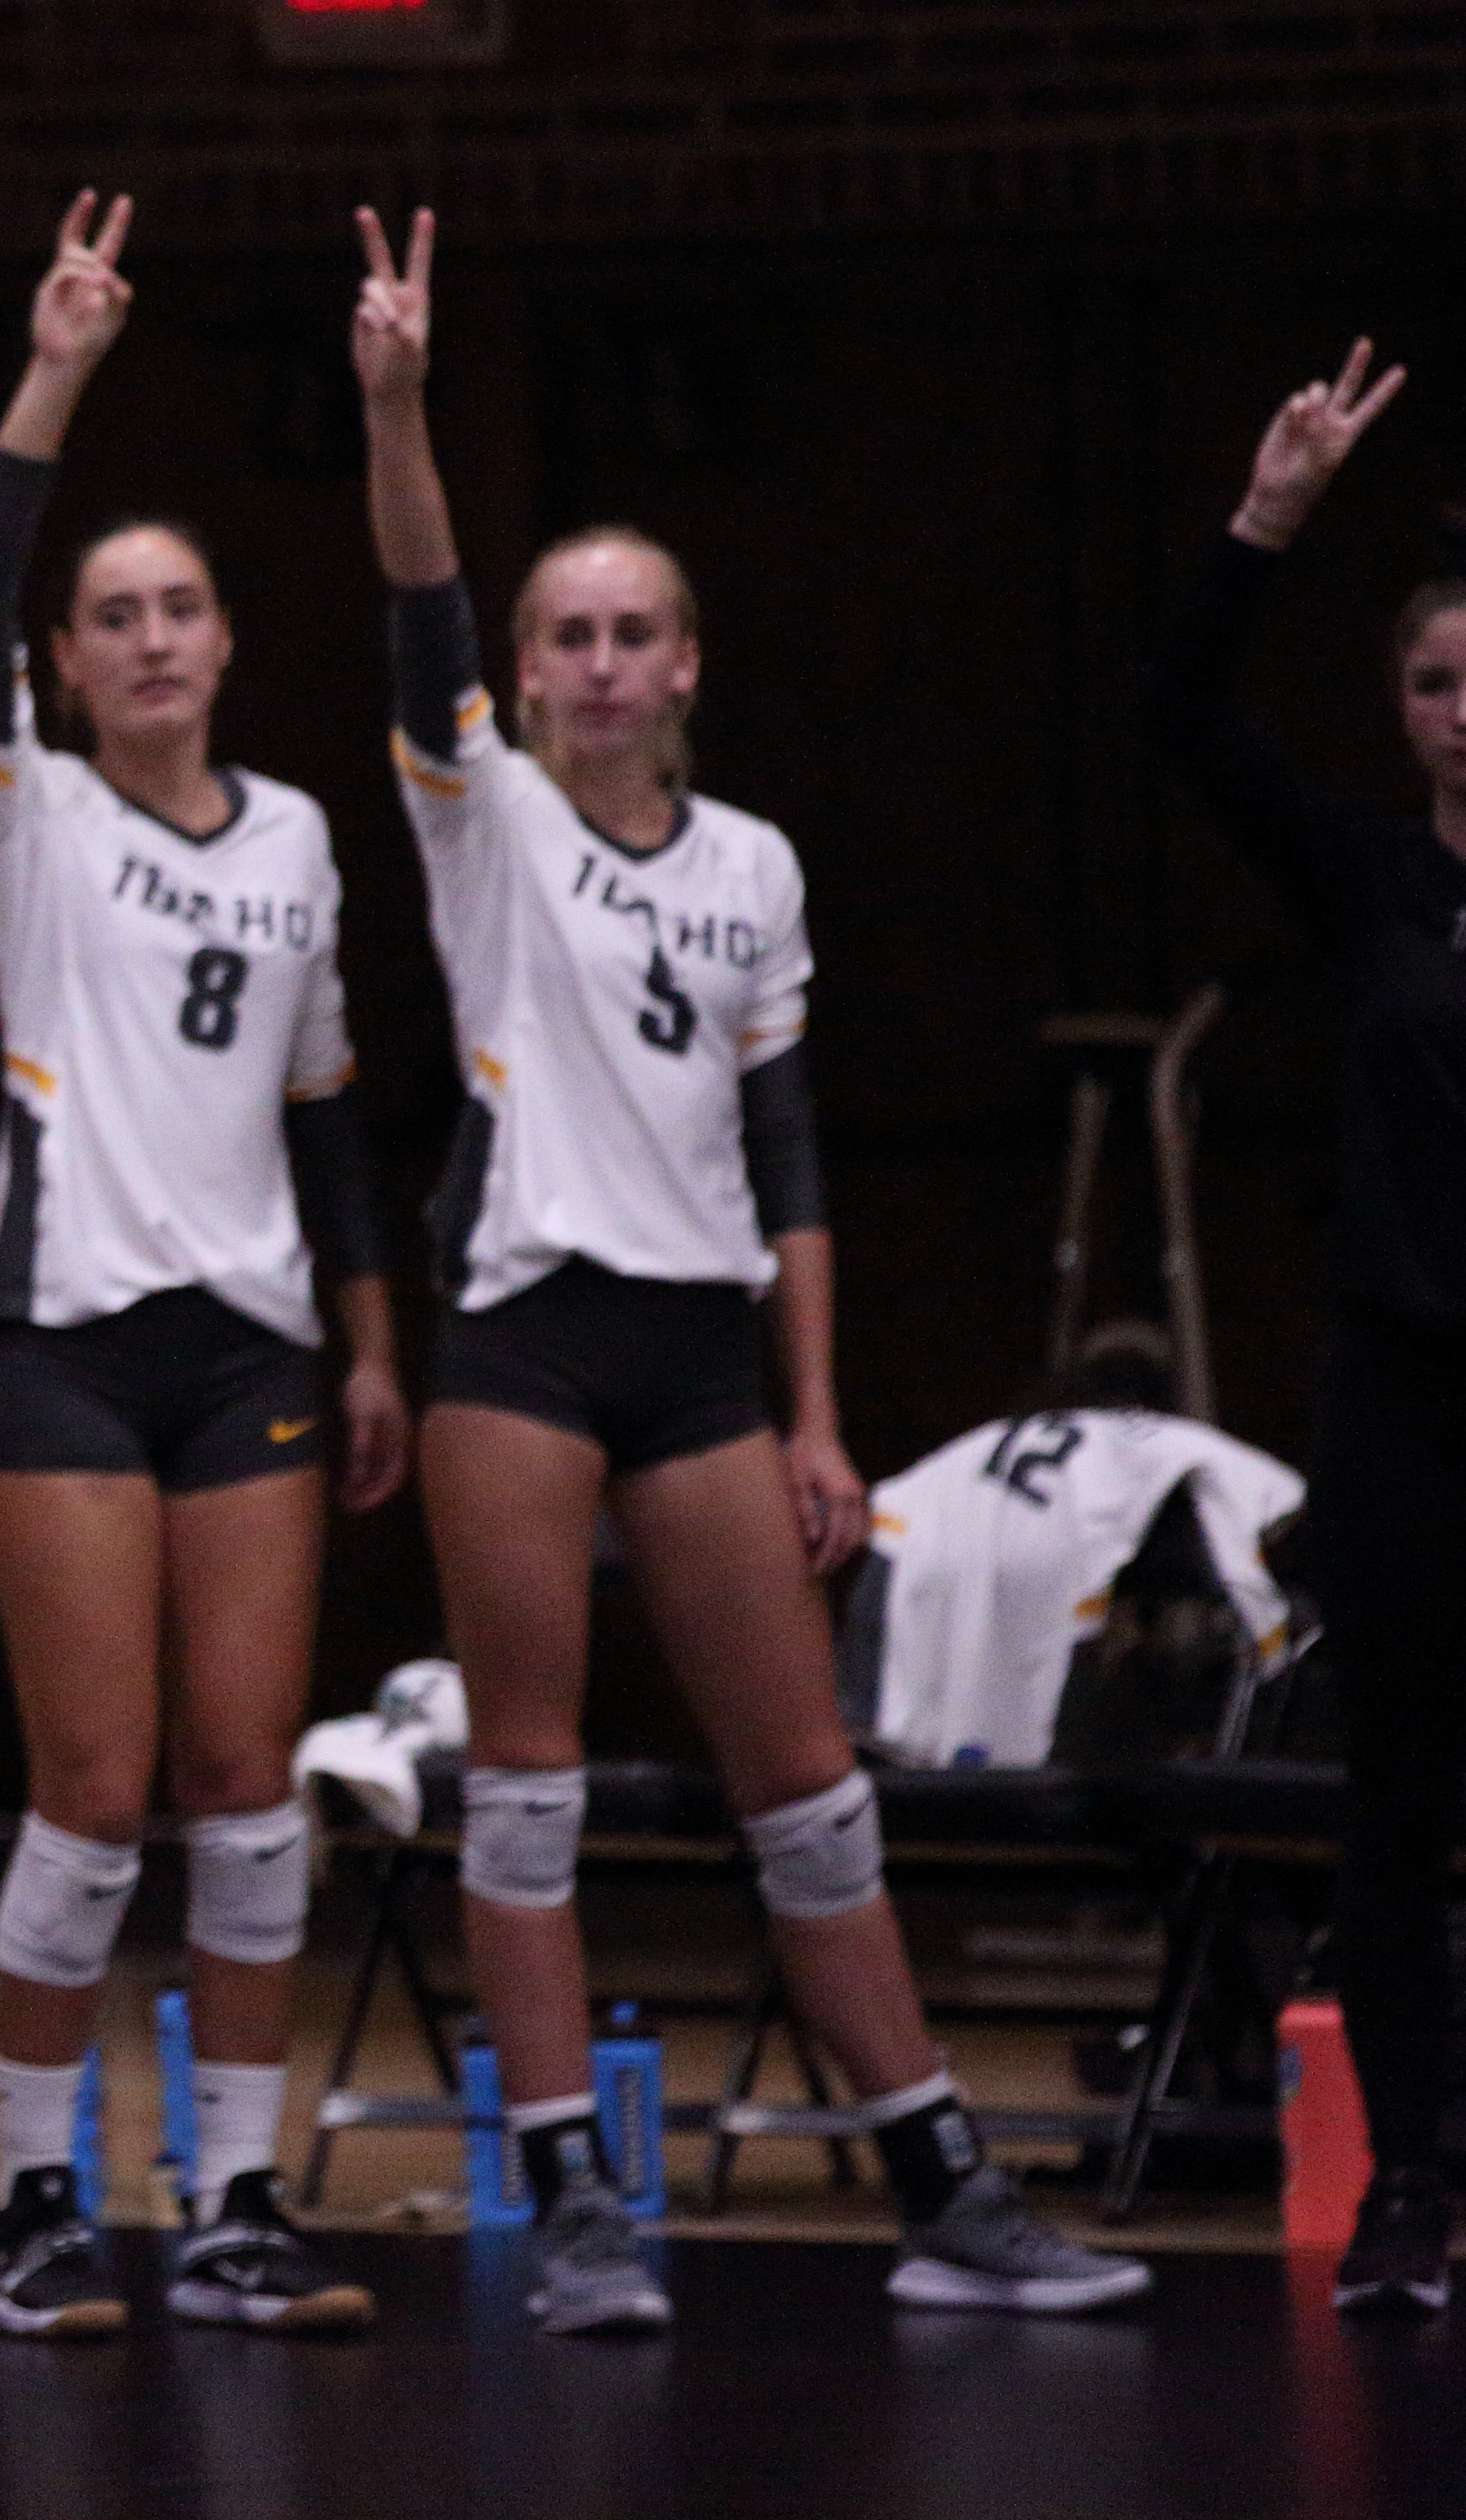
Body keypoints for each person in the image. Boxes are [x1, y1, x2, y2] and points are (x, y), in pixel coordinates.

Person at [347, 208, 1145, 2332]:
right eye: (568, 637)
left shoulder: (760, 870)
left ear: (686, 666)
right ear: (527, 677)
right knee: (524, 1782)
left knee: (807, 1779)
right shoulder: (484, 814)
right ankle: (569, 2206)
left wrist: (812, 1408)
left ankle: (943, 2189)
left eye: (635, 635)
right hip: (521, 1334)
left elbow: (786, 1152)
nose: (599, 664)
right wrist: (398, 399)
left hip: (703, 1354)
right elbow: (416, 590)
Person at [0, 193, 405, 2337]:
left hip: (258, 1352)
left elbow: (329, 1109)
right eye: (109, 612)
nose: (144, 639)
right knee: (96, 1787)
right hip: (60, 1343)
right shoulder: (23, 808)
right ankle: (39, 2201)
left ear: (223, 642)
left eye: (178, 609)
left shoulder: (298, 835)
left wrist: (375, 1339)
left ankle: (230, 2199)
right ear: (68, 658)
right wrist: (50, 368)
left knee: (244, 1782)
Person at [1151, 337, 1459, 2317]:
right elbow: (1183, 723)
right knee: (1407, 1808)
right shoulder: (1370, 881)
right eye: (1437, 679)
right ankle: (1413, 2195)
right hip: (1408, 1400)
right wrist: (1270, 514)